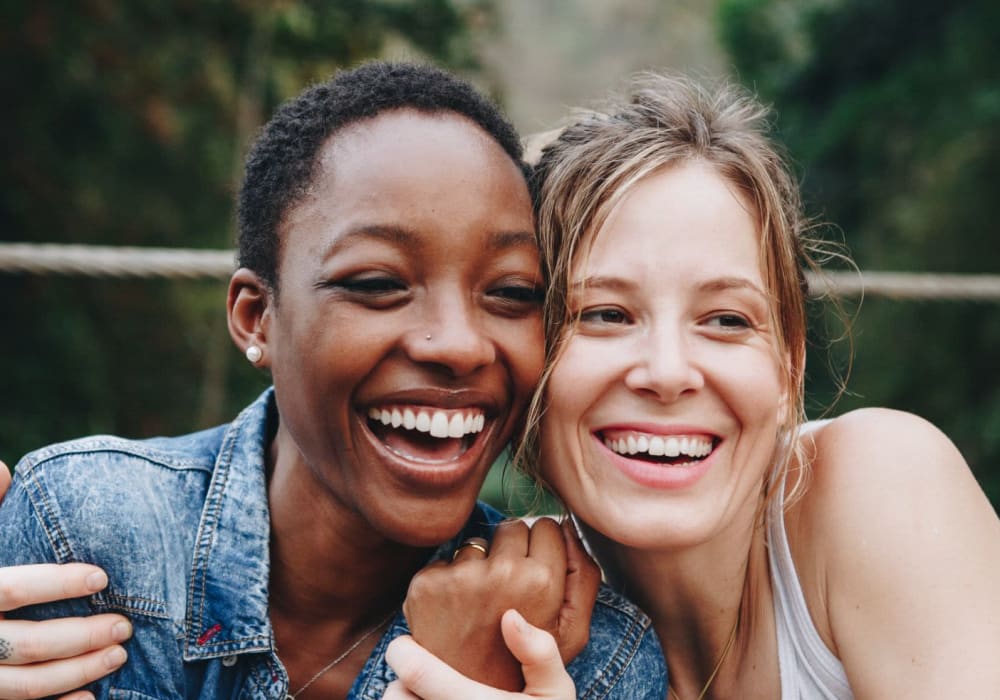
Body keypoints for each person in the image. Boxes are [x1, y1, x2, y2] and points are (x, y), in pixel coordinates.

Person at [0, 62, 665, 699]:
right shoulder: (86, 535)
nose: (459, 345)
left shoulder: (591, 660)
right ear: (257, 318)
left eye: (513, 292)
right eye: (378, 284)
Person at [383, 73, 1000, 699]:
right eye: (604, 315)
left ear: (790, 366)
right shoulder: (523, 617)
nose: (669, 372)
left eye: (727, 321)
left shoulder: (879, 482)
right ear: (523, 363)